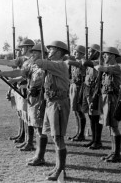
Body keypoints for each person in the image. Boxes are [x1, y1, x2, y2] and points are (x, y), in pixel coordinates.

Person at [0, 43, 46, 154]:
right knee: (28, 119)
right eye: (32, 52)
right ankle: (30, 143)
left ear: (43, 53)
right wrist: (4, 73)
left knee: (37, 124)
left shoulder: (47, 65)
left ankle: (34, 146)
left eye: (36, 52)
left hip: (41, 97)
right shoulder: (31, 64)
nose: (33, 54)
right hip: (31, 95)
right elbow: (20, 72)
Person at [0, 39, 35, 147]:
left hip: (28, 89)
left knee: (27, 116)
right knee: (23, 115)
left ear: (28, 48)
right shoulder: (23, 59)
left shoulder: (32, 60)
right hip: (21, 88)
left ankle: (29, 141)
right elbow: (9, 62)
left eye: (22, 47)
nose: (20, 49)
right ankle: (25, 138)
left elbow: (21, 73)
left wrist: (9, 76)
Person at [34, 40, 70, 181]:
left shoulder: (60, 65)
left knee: (58, 137)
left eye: (51, 49)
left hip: (59, 103)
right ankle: (57, 167)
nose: (49, 51)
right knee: (55, 137)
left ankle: (61, 171)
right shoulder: (53, 65)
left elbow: (40, 62)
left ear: (59, 52)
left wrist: (42, 58)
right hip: (50, 102)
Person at [94, 47, 121, 163]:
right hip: (106, 97)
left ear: (113, 56)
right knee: (110, 126)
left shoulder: (115, 68)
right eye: (103, 55)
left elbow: (100, 68)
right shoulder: (108, 68)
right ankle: (113, 151)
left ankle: (117, 153)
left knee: (114, 126)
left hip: (112, 98)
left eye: (106, 55)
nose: (104, 57)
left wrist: (97, 65)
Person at [81, 44, 103, 150]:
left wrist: (86, 58)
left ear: (96, 53)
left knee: (95, 116)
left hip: (95, 91)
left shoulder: (98, 62)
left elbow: (85, 62)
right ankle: (94, 139)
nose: (88, 54)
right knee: (91, 116)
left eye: (91, 52)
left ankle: (98, 141)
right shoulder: (91, 63)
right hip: (88, 90)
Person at [66, 45, 87, 142]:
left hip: (80, 87)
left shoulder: (83, 62)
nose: (74, 54)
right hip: (73, 86)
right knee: (75, 111)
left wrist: (68, 60)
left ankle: (81, 134)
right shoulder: (74, 63)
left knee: (79, 111)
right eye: (74, 52)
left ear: (82, 54)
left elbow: (80, 65)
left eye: (76, 52)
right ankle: (78, 132)